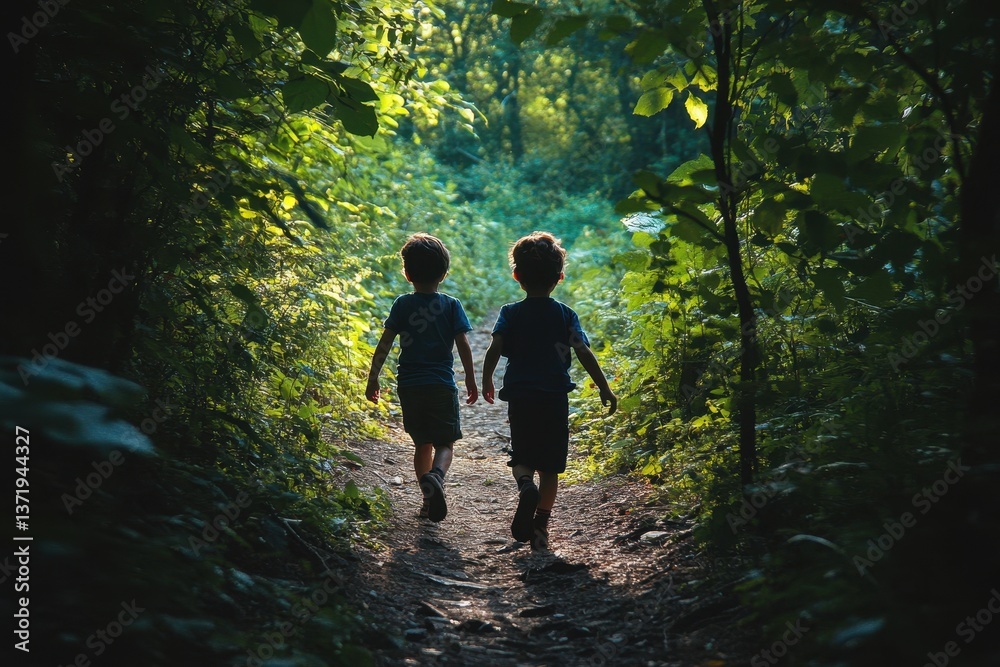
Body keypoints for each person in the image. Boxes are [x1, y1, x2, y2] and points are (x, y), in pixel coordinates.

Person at [482, 231, 616, 550]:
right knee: (551, 465)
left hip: (521, 394)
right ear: (559, 277)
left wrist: (486, 379)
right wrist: (604, 388)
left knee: (522, 454)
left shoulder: (510, 313)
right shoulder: (565, 314)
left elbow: (495, 346)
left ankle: (525, 484)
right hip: (554, 396)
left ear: (517, 276)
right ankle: (540, 525)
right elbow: (583, 351)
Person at [365, 233, 478, 522]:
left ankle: (428, 501)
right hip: (440, 384)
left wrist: (373, 377)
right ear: (443, 273)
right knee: (445, 443)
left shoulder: (402, 304)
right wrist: (470, 379)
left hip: (410, 385)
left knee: (421, 444)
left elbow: (385, 343)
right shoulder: (451, 305)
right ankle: (437, 477)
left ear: (407, 273)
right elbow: (463, 344)